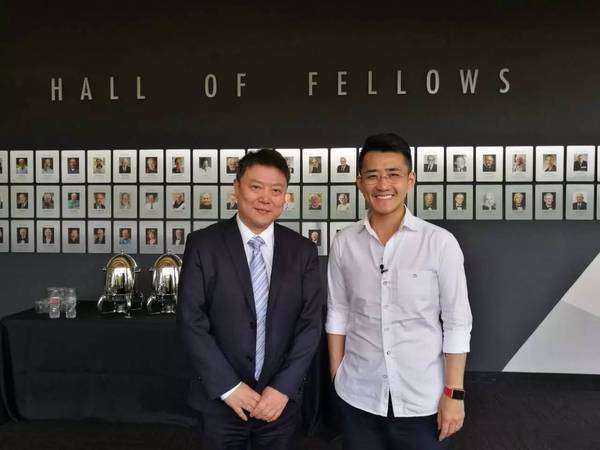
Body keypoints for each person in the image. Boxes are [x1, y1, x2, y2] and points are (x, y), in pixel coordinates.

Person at [327, 133, 472, 450]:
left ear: (410, 180)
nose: (383, 185)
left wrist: (454, 392)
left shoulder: (439, 242)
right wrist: (337, 373)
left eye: (393, 174)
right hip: (358, 394)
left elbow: (457, 323)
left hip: (422, 397)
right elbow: (338, 311)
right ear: (359, 182)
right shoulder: (344, 242)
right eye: (372, 175)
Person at [177, 148, 323, 450]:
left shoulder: (302, 251)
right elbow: (191, 320)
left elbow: (310, 325)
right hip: (220, 401)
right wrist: (229, 387)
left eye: (276, 190)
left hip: (279, 405)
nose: (265, 198)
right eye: (256, 187)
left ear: (285, 197)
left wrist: (283, 388)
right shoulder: (204, 244)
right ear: (237, 188)